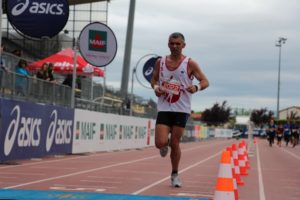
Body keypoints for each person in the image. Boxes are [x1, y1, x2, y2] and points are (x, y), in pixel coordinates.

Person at [150, 32, 209, 187]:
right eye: (172, 43)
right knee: (159, 142)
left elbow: (205, 81)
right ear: (168, 44)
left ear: (184, 45)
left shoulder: (190, 63)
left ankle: (175, 174)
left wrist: (196, 87)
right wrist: (156, 87)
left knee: (175, 143)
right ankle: (164, 144)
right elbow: (154, 79)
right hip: (164, 107)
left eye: (178, 44)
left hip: (181, 109)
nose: (174, 46)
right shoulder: (160, 62)